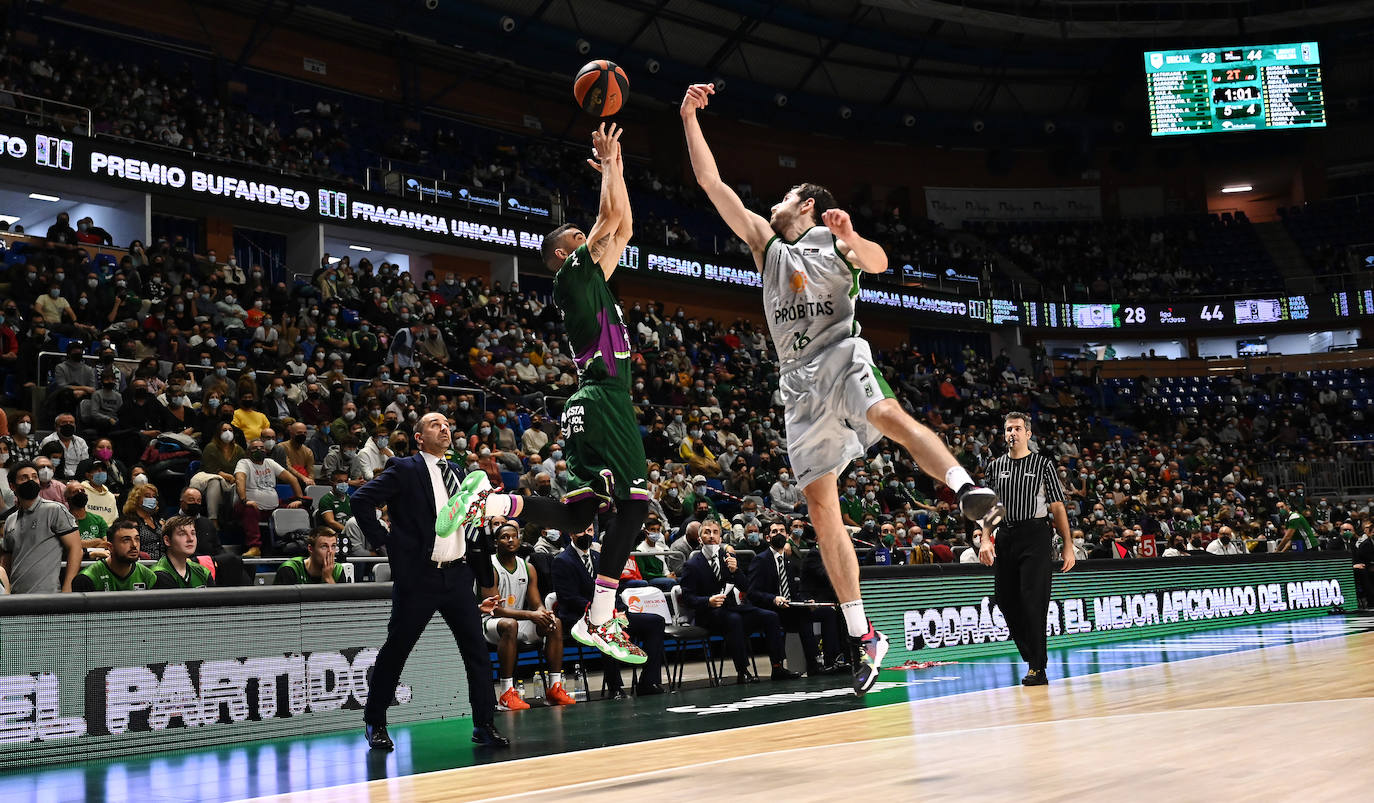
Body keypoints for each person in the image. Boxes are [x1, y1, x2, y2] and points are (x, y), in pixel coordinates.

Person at [681, 83, 1002, 693]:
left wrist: (853, 238)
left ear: (805, 206)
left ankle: (966, 490)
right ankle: (864, 634)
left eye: (783, 197)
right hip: (797, 389)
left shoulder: (834, 239)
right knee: (822, 510)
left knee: (884, 411)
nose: (772, 203)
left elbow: (880, 262)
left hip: (841, 355)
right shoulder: (765, 245)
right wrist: (688, 117)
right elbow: (710, 183)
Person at [449, 123, 647, 667]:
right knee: (634, 506)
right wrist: (607, 164)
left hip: (588, 400)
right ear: (567, 253)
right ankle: (602, 612)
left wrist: (619, 166)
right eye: (582, 239)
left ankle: (491, 502)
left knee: (579, 517)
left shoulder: (589, 281)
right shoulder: (570, 277)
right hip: (605, 396)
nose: (593, 240)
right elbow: (608, 221)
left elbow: (622, 228)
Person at [350, 412, 507, 750]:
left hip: (458, 574)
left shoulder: (460, 473)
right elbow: (360, 499)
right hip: (419, 575)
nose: (445, 428)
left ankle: (484, 724)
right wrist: (385, 539)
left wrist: (482, 577)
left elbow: (472, 526)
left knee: (477, 652)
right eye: (435, 424)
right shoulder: (405, 469)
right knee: (397, 650)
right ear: (419, 438)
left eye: (447, 424)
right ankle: (375, 721)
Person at [976, 412, 1075, 687]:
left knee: (1034, 601)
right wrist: (986, 538)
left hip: (1036, 534)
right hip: (1006, 535)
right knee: (1004, 599)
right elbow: (991, 507)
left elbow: (1057, 506)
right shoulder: (994, 467)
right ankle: (1032, 654)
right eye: (1008, 429)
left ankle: (1037, 667)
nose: (1012, 433)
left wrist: (1068, 546)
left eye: (1018, 429)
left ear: (1028, 434)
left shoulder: (1043, 464)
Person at [678, 517, 801, 684]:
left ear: (721, 538)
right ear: (700, 539)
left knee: (770, 616)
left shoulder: (727, 558)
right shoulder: (691, 565)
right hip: (707, 614)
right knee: (734, 620)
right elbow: (687, 598)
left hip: (730, 609)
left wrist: (736, 571)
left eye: (715, 532)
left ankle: (778, 667)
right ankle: (743, 671)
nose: (712, 536)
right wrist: (708, 601)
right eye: (707, 532)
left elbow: (746, 587)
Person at [551, 523, 666, 696]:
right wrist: (601, 611)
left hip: (609, 614)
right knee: (605, 628)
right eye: (582, 530)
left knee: (656, 622)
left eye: (590, 530)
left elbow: (613, 589)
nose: (586, 534)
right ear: (572, 533)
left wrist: (620, 609)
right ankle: (615, 688)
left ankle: (649, 682)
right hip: (579, 618)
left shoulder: (599, 557)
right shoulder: (562, 560)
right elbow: (568, 598)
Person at [482, 522, 577, 710]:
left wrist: (543, 612)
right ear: (495, 543)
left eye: (514, 536)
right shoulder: (489, 567)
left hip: (518, 621)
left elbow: (535, 603)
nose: (510, 540)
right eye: (504, 537)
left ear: (519, 540)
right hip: (489, 623)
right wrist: (531, 614)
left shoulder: (528, 567)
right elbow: (495, 609)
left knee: (554, 623)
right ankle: (506, 693)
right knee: (510, 624)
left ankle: (554, 689)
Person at [747, 519, 842, 675]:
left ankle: (828, 661)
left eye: (782, 531)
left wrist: (805, 602)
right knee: (781, 617)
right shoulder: (760, 560)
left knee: (826, 612)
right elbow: (752, 592)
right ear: (767, 537)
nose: (779, 534)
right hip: (768, 607)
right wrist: (773, 598)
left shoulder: (787, 560)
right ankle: (778, 668)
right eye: (774, 531)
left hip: (788, 607)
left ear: (787, 534)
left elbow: (792, 592)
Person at [0, 461, 82, 593]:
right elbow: (6, 560)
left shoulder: (55, 510)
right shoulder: (10, 520)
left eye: (34, 477)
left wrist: (68, 588)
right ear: (12, 486)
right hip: (16, 597)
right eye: (24, 478)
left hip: (48, 597)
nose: (31, 480)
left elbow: (76, 549)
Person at [234, 437, 305, 557]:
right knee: (248, 510)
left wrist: (299, 499)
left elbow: (292, 479)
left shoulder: (270, 463)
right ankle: (254, 547)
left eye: (262, 448)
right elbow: (240, 479)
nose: (259, 450)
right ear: (248, 452)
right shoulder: (244, 463)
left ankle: (296, 545)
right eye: (255, 448)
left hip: (273, 508)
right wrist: (245, 500)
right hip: (253, 507)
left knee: (299, 507)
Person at [71, 519, 158, 591]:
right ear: (110, 547)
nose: (134, 545)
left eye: (137, 539)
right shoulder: (87, 578)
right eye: (126, 540)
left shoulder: (149, 577)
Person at [152, 515, 214, 589]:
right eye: (182, 534)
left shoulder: (202, 571)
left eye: (193, 533)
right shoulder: (159, 574)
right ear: (167, 540)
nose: (190, 539)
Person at [275, 527, 350, 584]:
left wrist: (328, 578)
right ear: (311, 549)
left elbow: (340, 604)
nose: (330, 551)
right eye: (324, 546)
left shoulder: (337, 570)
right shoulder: (290, 569)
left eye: (333, 546)